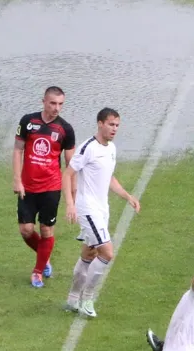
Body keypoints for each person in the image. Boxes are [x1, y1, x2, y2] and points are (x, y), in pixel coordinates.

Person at [61, 108, 140, 317]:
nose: (114, 129)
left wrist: (127, 196)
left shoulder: (111, 148)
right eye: (111, 124)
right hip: (87, 209)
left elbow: (109, 178)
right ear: (100, 123)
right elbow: (67, 174)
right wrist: (70, 204)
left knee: (89, 253)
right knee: (107, 253)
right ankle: (87, 298)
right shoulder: (88, 148)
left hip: (101, 209)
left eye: (117, 125)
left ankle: (72, 299)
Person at [13, 86, 76, 288]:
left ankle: (38, 271)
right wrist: (17, 179)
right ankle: (44, 255)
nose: (57, 108)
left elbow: (70, 166)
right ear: (43, 101)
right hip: (28, 187)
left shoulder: (66, 129)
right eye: (53, 103)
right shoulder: (28, 122)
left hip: (51, 187)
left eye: (60, 104)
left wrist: (71, 197)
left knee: (47, 230)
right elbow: (17, 150)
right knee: (25, 229)